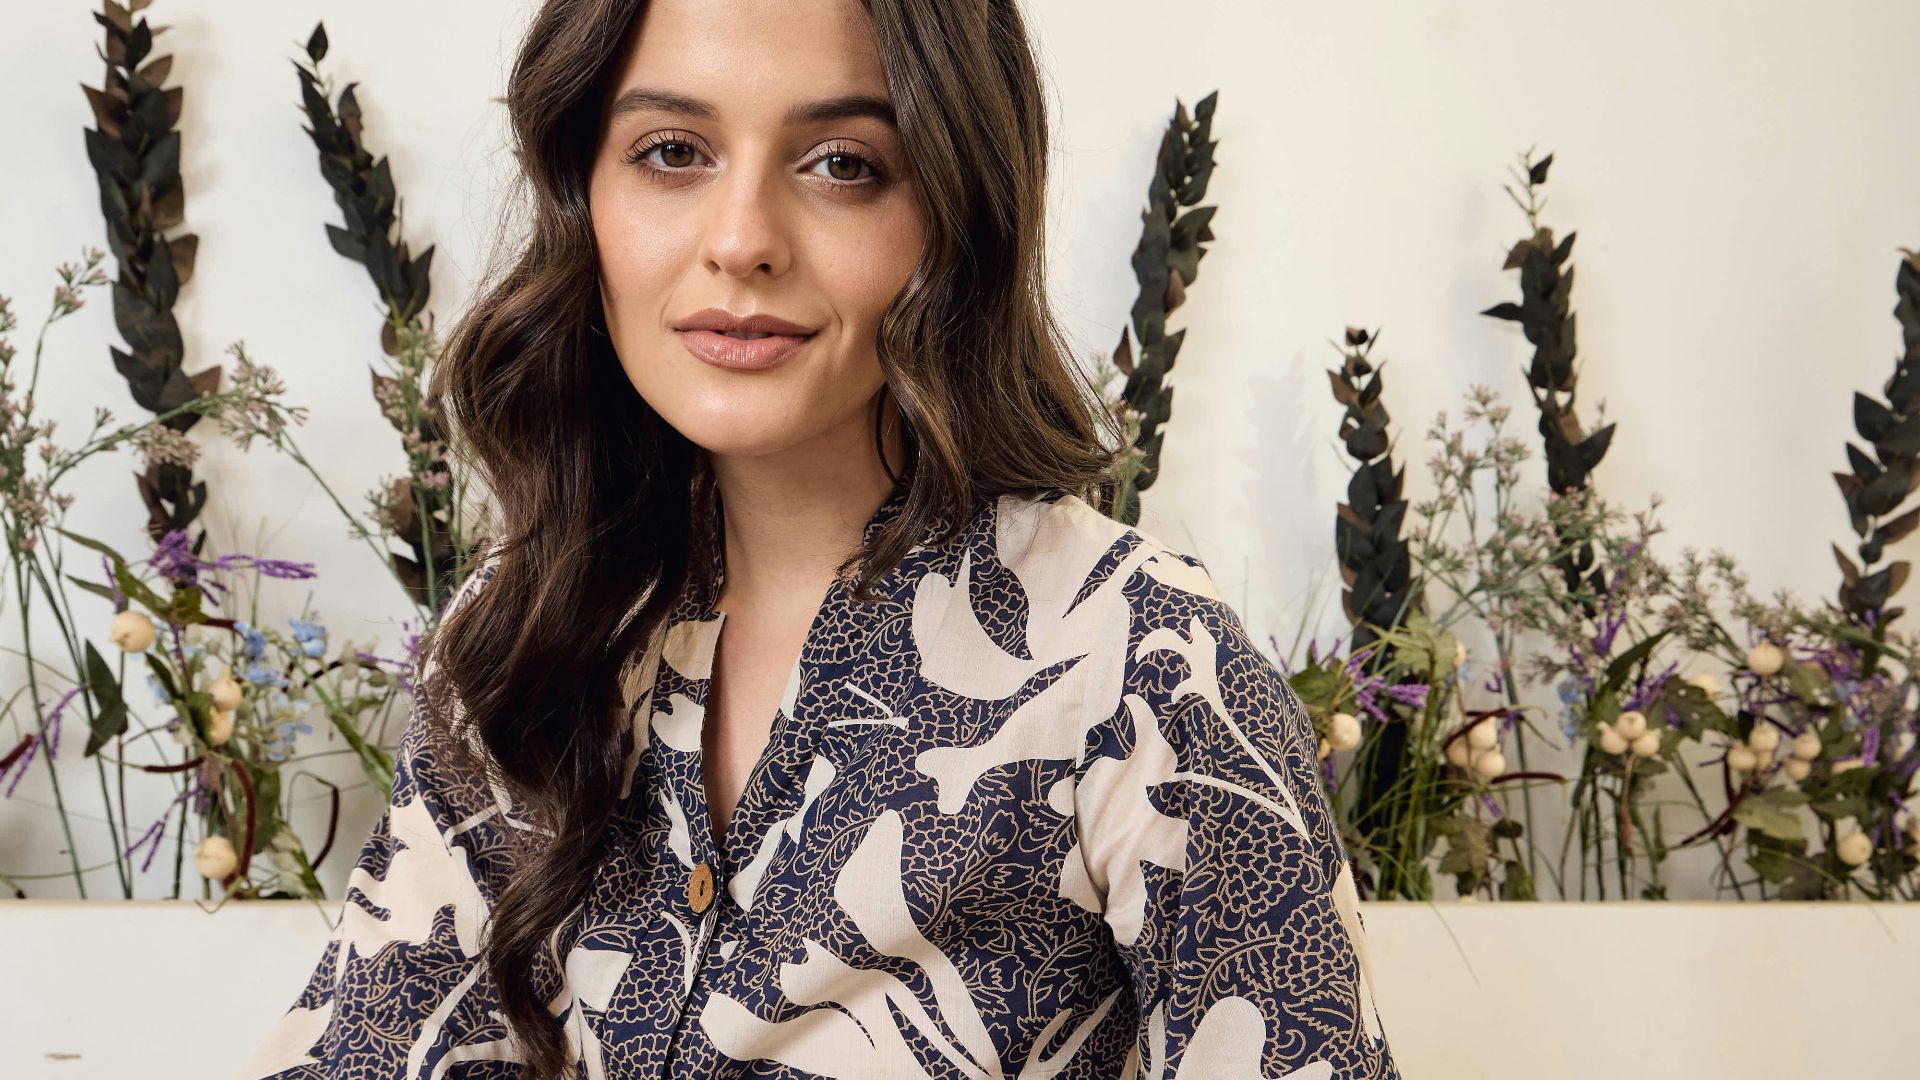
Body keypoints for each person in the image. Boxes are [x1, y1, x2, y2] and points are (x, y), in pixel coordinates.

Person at [245, 0, 1399, 1076]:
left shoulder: (1145, 665)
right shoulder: (522, 632)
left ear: (959, 213)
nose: (741, 240)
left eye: (843, 166)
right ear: (580, 192)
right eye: (671, 154)